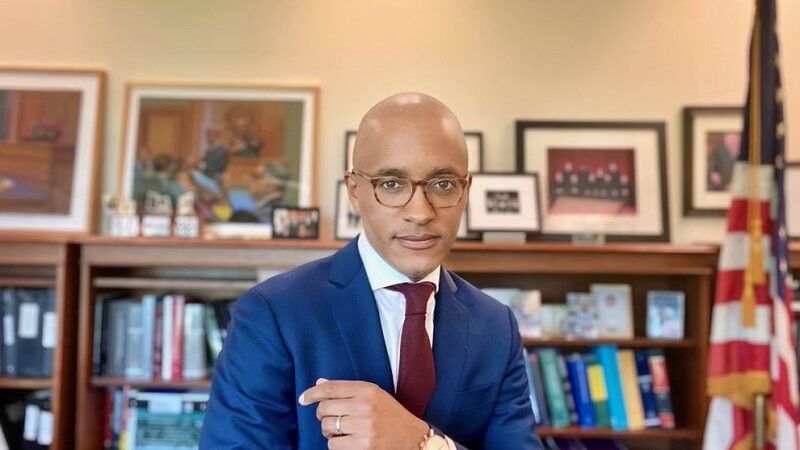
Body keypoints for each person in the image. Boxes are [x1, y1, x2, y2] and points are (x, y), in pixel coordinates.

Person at [200, 92, 542, 449]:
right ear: (354, 191)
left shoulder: (496, 326)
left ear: (466, 190)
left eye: (443, 184)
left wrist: (425, 444)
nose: (420, 213)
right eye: (391, 184)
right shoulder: (274, 313)